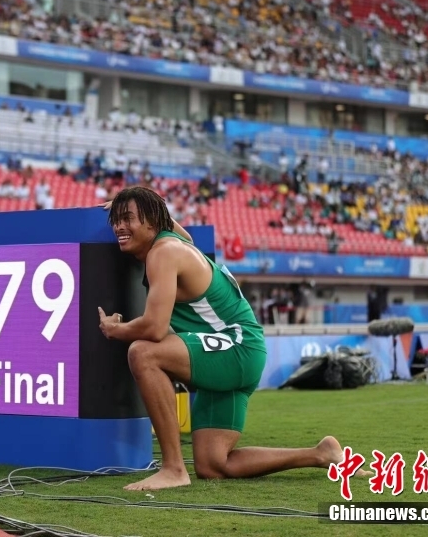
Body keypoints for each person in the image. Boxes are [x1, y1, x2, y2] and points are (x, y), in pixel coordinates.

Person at [98, 186, 360, 491]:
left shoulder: (164, 252)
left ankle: (173, 469)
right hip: (233, 351)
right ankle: (321, 454)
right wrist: (131, 208)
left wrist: (116, 329)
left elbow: (155, 329)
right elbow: (176, 230)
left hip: (236, 348)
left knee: (142, 352)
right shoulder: (176, 243)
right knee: (214, 465)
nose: (119, 226)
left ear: (152, 224)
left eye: (128, 218)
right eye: (116, 219)